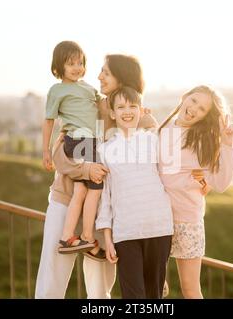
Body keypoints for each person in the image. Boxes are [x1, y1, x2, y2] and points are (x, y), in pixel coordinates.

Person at [35, 54, 157, 298]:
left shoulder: (140, 119)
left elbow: (153, 165)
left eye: (106, 72)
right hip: (65, 199)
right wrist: (85, 171)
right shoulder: (85, 105)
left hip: (103, 211)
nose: (99, 76)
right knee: (52, 279)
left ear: (122, 77)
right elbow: (60, 153)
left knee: (100, 289)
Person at [158, 85, 233, 299]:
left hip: (187, 220)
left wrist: (227, 143)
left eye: (202, 109)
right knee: (155, 286)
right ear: (184, 96)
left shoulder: (203, 140)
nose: (194, 109)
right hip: (158, 219)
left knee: (190, 289)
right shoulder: (161, 129)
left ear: (206, 116)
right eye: (193, 101)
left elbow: (220, 182)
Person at [96, 87, 173, 299]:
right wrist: (108, 239)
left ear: (141, 110)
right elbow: (105, 197)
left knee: (154, 296)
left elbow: (174, 177)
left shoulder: (154, 140)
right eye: (120, 107)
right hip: (125, 232)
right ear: (112, 113)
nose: (127, 111)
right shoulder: (104, 150)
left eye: (132, 106)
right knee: (133, 298)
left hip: (159, 227)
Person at [42, 41, 105, 258]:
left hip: (91, 141)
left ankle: (69, 237)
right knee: (93, 189)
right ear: (58, 67)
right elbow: (49, 121)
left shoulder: (88, 88)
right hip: (78, 140)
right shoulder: (57, 90)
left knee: (83, 190)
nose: (77, 67)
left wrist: (137, 107)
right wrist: (46, 151)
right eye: (71, 64)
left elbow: (105, 105)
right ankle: (86, 237)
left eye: (80, 62)